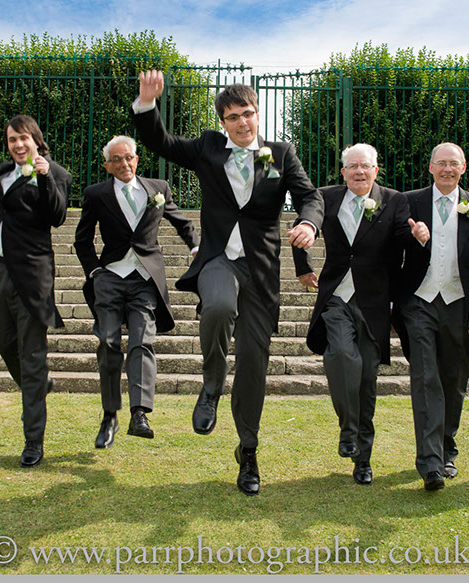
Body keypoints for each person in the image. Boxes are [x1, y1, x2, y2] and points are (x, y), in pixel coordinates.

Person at [131, 70, 324, 495]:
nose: (242, 122)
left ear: (258, 114)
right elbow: (161, 142)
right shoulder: (208, 147)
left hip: (260, 271)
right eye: (233, 116)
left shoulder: (278, 153)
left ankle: (248, 453)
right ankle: (211, 384)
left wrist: (309, 223)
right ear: (223, 121)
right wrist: (147, 106)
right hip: (218, 259)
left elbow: (309, 195)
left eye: (248, 114)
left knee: (254, 365)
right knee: (217, 306)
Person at [292, 143, 411, 486]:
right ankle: (348, 430)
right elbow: (305, 221)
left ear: (377, 169)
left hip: (375, 302)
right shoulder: (325, 197)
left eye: (366, 166)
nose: (360, 171)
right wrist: (304, 266)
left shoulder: (394, 200)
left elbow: (404, 240)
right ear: (343, 172)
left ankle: (363, 458)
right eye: (353, 166)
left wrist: (419, 237)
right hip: (336, 297)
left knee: (366, 379)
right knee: (341, 355)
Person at [74, 135, 199, 449]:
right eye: (116, 159)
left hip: (145, 280)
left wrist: (196, 245)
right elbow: (82, 239)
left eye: (127, 157)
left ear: (136, 159)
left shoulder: (158, 189)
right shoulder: (96, 194)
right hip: (110, 277)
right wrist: (94, 271)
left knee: (142, 341)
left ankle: (140, 413)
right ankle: (109, 415)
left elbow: (182, 222)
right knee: (107, 341)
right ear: (107, 165)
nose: (123, 163)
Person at [0, 109, 70, 468]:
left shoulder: (55, 173)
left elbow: (56, 215)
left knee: (32, 355)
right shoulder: (1, 175)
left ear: (36, 139)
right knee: (6, 344)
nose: (18, 144)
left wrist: (45, 178)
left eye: (24, 137)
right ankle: (37, 384)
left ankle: (33, 441)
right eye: (11, 139)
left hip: (33, 278)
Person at [394, 142, 469, 491]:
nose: (448, 169)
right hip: (419, 301)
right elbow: (393, 248)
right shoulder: (409, 202)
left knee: (454, 378)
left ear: (464, 167)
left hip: (460, 303)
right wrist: (413, 238)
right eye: (442, 164)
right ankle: (430, 463)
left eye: (454, 164)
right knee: (425, 377)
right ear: (431, 168)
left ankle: (446, 447)